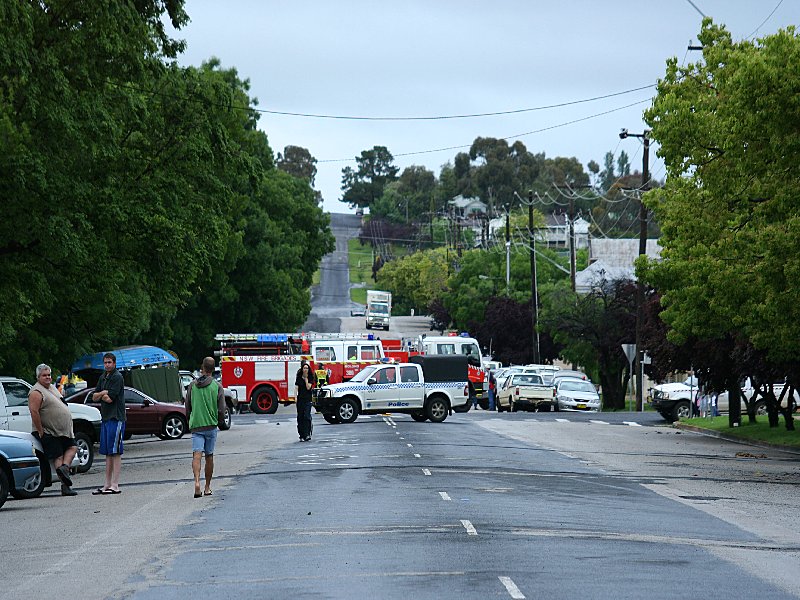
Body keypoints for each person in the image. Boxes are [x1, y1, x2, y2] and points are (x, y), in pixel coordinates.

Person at [28, 364, 78, 496]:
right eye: (44, 375)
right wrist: (40, 431)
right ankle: (65, 486)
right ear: (38, 377)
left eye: (49, 375)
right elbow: (34, 412)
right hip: (48, 431)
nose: (47, 377)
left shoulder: (52, 388)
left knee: (73, 447)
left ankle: (64, 468)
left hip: (63, 431)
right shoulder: (36, 392)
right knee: (58, 455)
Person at [185, 356, 226, 498]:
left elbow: (187, 406)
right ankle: (207, 487)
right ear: (213, 369)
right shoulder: (217, 386)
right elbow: (221, 409)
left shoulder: (191, 385)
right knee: (209, 456)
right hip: (210, 425)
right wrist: (219, 422)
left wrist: (190, 420)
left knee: (197, 455)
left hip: (196, 425)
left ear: (202, 368)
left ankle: (197, 482)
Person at [91, 352, 125, 495]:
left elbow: (110, 398)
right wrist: (102, 393)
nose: (107, 365)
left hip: (115, 418)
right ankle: (107, 484)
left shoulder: (117, 377)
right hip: (105, 418)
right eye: (105, 362)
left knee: (115, 451)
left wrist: (102, 394)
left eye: (109, 362)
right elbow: (94, 397)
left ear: (114, 363)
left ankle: (115, 484)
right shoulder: (103, 377)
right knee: (107, 453)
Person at [295, 360, 316, 442]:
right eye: (304, 368)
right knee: (300, 417)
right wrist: (295, 397)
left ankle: (307, 434)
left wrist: (306, 379)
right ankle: (301, 435)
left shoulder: (310, 377)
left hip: (308, 400)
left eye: (307, 368)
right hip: (300, 399)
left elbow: (308, 387)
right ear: (302, 369)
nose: (305, 370)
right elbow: (296, 387)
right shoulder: (299, 377)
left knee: (306, 416)